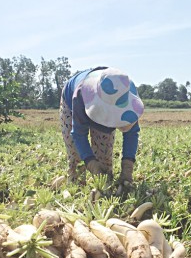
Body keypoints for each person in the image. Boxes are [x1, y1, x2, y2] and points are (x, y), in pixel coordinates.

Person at [59, 66, 144, 194]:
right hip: (71, 102)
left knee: (104, 159)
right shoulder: (80, 94)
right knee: (74, 152)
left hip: (105, 98)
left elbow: (131, 133)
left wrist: (127, 168)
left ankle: (108, 187)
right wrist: (91, 164)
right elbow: (78, 134)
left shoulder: (126, 92)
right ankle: (76, 188)